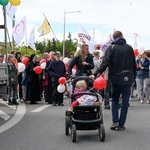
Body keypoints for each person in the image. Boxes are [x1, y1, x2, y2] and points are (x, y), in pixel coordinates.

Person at [91, 31, 136, 131]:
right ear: (122, 37)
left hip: (116, 78)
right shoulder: (129, 48)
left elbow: (105, 63)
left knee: (115, 100)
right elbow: (134, 64)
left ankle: (115, 121)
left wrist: (95, 73)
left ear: (113, 38)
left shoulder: (111, 48)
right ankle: (121, 124)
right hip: (128, 78)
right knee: (125, 102)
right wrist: (133, 77)